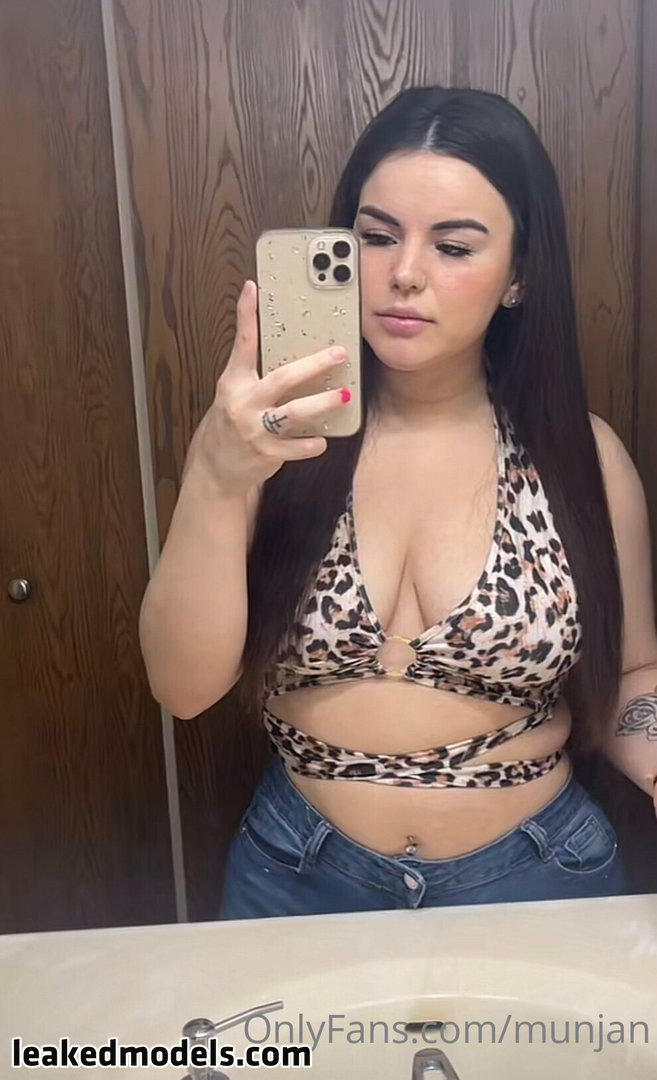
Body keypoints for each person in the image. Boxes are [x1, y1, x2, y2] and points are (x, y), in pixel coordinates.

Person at [139, 86, 657, 920]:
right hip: (295, 876)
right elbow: (182, 688)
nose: (404, 273)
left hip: (536, 879)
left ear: (518, 275)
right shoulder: (268, 436)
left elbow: (633, 674)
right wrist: (215, 476)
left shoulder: (581, 459)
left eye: (452, 246)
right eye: (376, 236)